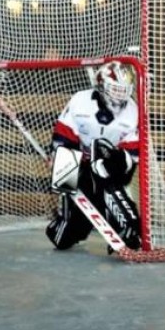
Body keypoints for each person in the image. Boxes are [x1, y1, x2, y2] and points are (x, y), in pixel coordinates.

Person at [45, 61, 143, 252]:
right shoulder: (80, 101)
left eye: (124, 90)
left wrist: (107, 166)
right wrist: (61, 166)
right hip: (79, 167)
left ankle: (126, 225)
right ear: (102, 86)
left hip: (111, 173)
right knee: (62, 240)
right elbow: (64, 138)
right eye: (115, 89)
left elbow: (130, 157)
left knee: (101, 150)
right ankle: (75, 219)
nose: (121, 96)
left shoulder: (133, 111)